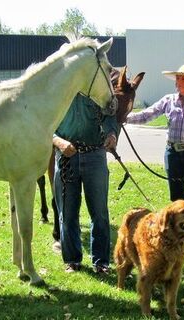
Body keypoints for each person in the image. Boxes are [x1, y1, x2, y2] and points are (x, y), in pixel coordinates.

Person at [126, 64, 184, 258]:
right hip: (173, 153)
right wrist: (123, 117)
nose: (178, 82)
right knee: (177, 200)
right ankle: (180, 238)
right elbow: (147, 115)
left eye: (183, 79)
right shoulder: (168, 100)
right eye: (177, 78)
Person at [53, 93, 117, 273]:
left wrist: (112, 134)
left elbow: (110, 117)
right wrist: (58, 141)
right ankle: (72, 260)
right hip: (66, 157)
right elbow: (44, 123)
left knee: (99, 212)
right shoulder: (59, 91)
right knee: (67, 212)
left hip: (95, 155)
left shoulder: (98, 91)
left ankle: (101, 262)